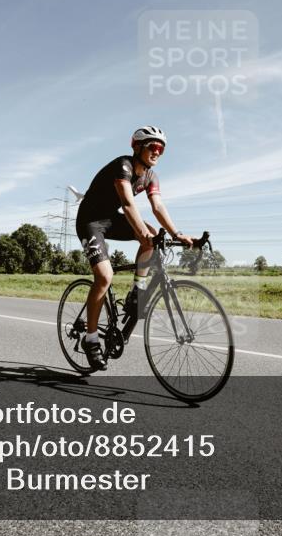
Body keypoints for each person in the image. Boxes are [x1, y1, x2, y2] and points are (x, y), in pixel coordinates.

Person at [74, 126, 194, 370]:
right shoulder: (123, 166)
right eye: (153, 147)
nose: (157, 152)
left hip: (111, 218)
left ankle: (137, 291)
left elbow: (157, 207)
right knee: (105, 276)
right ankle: (91, 339)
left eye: (161, 149)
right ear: (138, 147)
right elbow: (128, 204)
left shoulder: (151, 176)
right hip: (90, 221)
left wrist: (177, 234)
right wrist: (143, 235)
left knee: (150, 234)